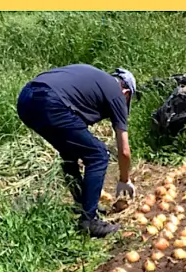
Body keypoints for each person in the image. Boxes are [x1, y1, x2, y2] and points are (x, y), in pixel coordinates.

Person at [17, 64, 137, 238]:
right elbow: (124, 150)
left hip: (26, 99)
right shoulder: (117, 93)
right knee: (98, 155)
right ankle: (89, 221)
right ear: (126, 93)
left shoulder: (95, 82)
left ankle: (83, 205)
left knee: (69, 152)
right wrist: (124, 179)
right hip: (49, 100)